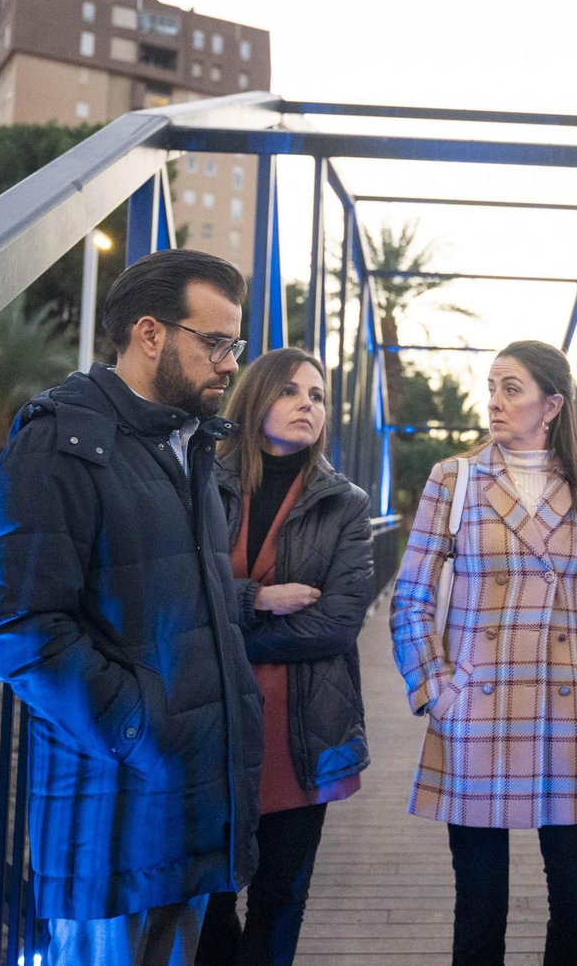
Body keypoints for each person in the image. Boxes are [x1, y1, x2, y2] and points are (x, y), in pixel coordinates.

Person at [0, 249, 264, 966]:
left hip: (181, 803)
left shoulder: (184, 446)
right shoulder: (61, 442)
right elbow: (16, 629)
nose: (231, 363)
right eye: (217, 342)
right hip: (115, 812)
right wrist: (144, 728)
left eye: (237, 344)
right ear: (150, 334)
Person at [390, 339, 577, 966]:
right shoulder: (457, 478)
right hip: (476, 711)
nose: (494, 402)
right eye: (492, 386)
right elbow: (413, 598)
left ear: (552, 404)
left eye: (511, 389)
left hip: (564, 715)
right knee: (479, 907)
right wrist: (437, 690)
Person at [197, 347, 375, 966]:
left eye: (319, 396)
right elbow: (175, 596)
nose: (308, 404)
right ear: (254, 400)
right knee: (209, 894)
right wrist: (260, 598)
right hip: (207, 722)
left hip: (300, 726)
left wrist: (220, 635)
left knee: (281, 893)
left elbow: (336, 623)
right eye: (291, 392)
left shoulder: (344, 503)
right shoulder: (198, 481)